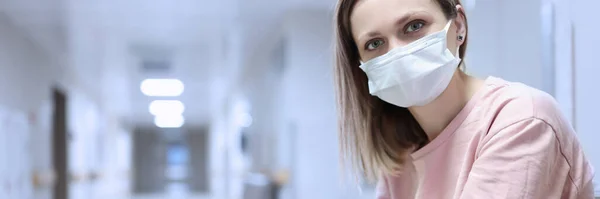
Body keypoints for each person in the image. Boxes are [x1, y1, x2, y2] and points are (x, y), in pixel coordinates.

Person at [333, 0, 595, 198]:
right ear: (361, 64)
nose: (397, 53)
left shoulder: (522, 119)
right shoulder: (400, 160)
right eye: (375, 44)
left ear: (458, 25)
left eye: (414, 26)